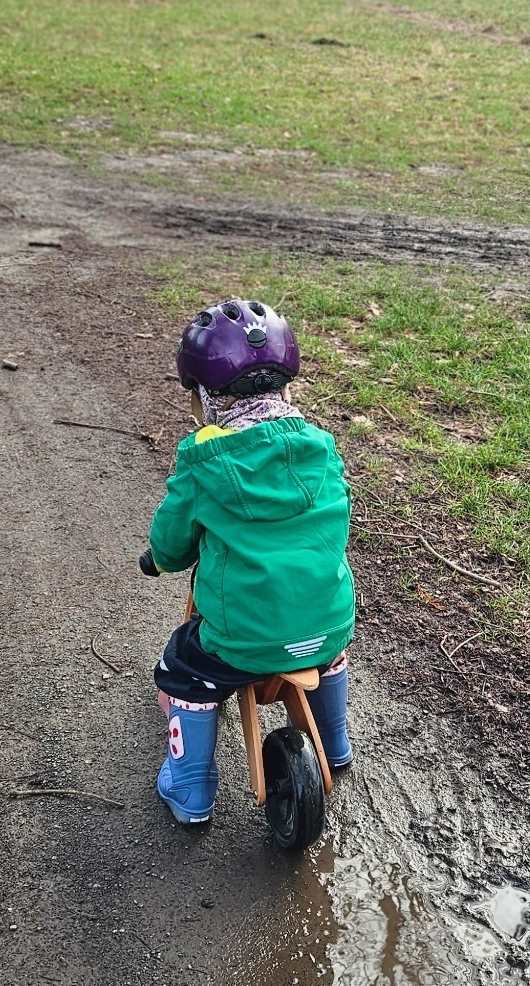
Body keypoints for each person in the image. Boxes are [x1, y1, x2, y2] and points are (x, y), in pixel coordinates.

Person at [140, 300, 355, 824]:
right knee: (325, 652)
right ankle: (336, 742)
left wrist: (159, 560)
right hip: (328, 625)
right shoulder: (322, 449)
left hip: (241, 642)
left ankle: (191, 791)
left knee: (181, 669)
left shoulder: (203, 460)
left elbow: (172, 542)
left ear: (206, 397)